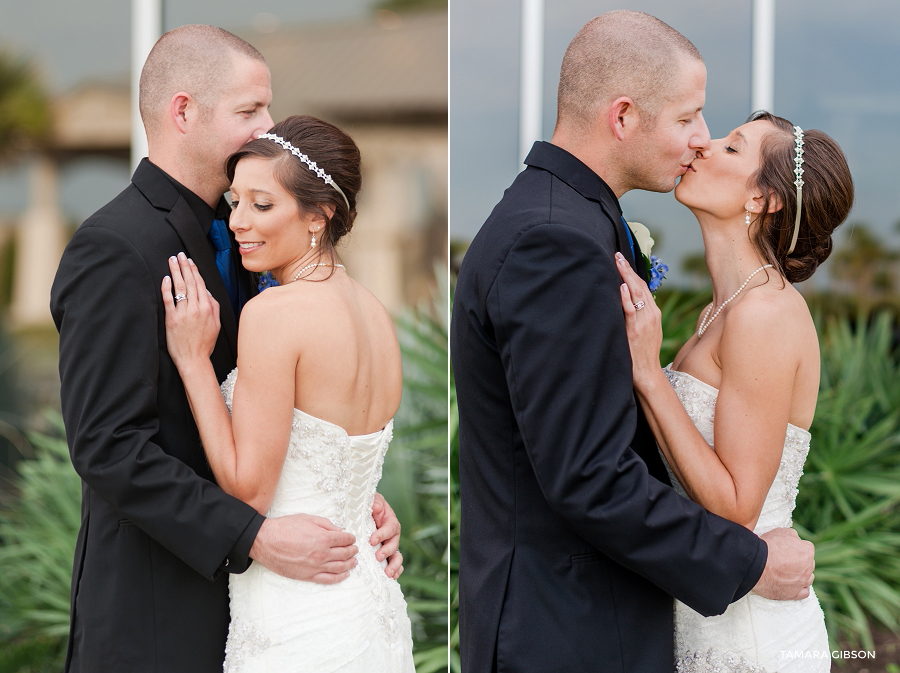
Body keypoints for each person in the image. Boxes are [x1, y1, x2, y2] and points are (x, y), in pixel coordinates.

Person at [451, 11, 815, 673]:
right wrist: (749, 562)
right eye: (688, 118)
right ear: (623, 117)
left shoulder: (578, 220)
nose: (700, 140)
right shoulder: (555, 240)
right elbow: (589, 475)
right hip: (563, 632)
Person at [50, 26, 402, 673]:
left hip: (279, 616)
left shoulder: (254, 243)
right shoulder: (113, 248)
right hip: (157, 623)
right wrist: (257, 537)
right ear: (184, 111)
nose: (267, 126)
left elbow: (289, 416)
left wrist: (353, 503)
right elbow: (107, 445)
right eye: (250, 110)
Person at [160, 113, 415, 673]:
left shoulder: (273, 313)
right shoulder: (375, 314)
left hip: (301, 614)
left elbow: (247, 491)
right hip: (369, 605)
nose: (237, 222)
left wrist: (192, 361)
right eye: (234, 201)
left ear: (318, 216)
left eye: (262, 204)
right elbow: (346, 465)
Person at [615, 111, 853, 671]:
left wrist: (649, 375)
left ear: (764, 199)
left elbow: (736, 507)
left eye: (731, 147)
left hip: (751, 636)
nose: (702, 143)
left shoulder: (765, 315)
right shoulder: (721, 310)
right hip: (708, 609)